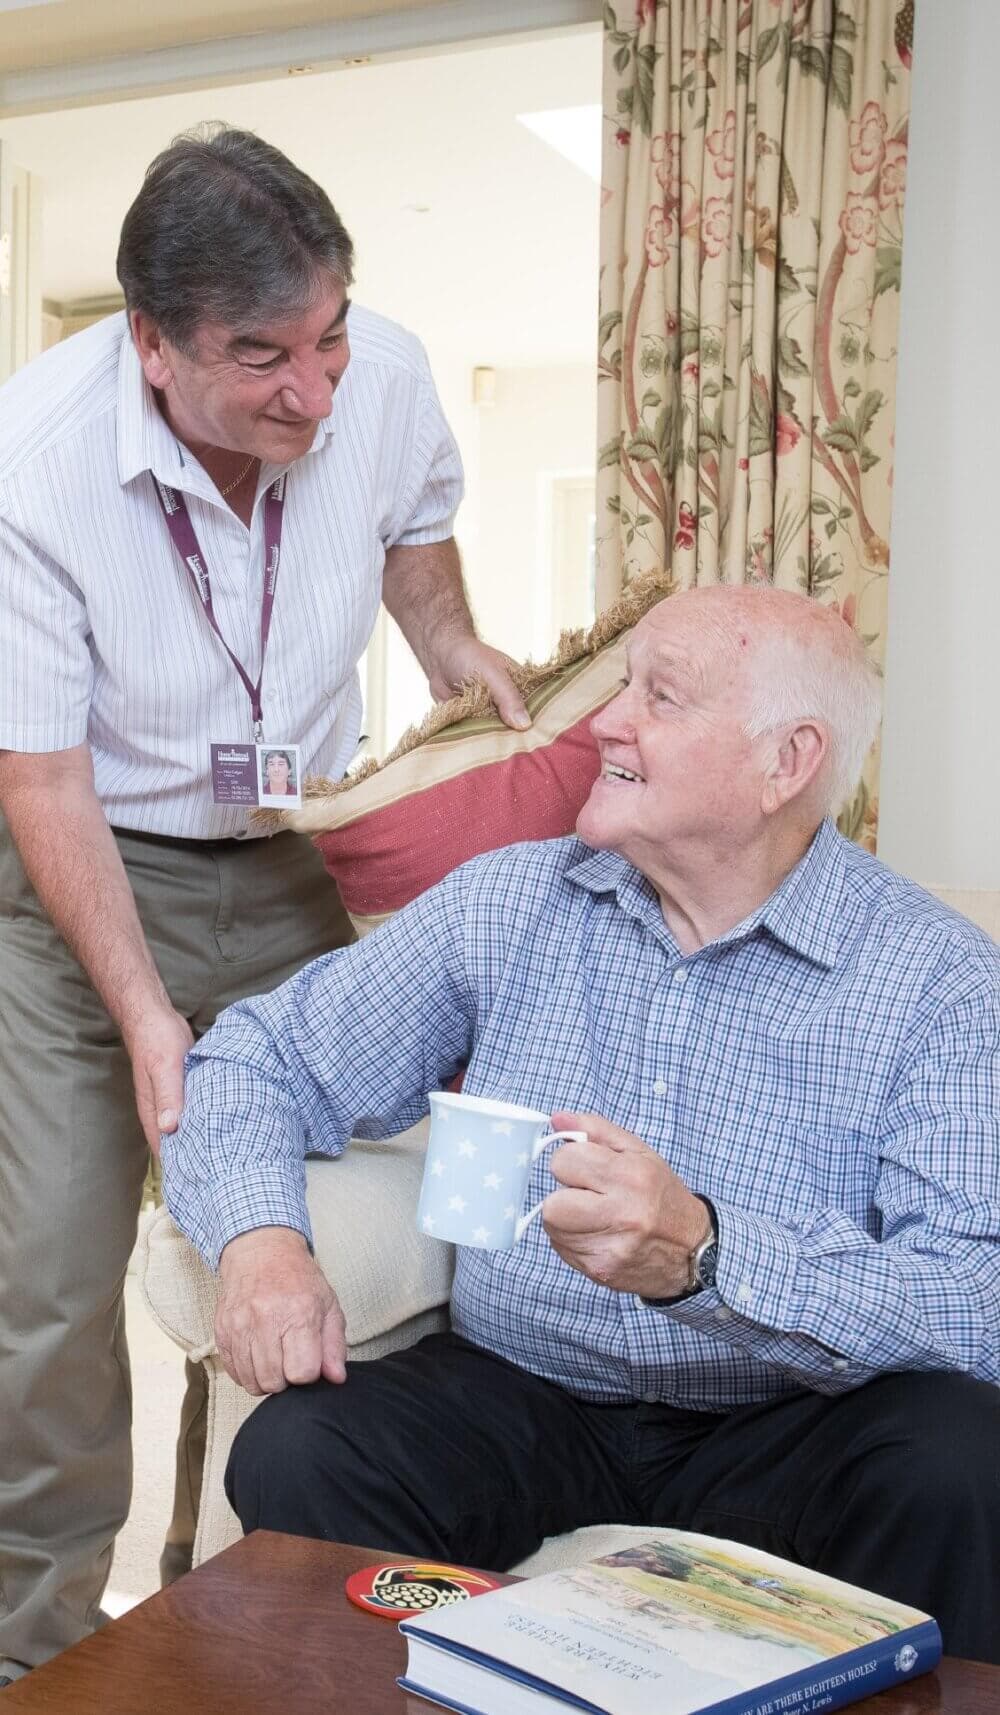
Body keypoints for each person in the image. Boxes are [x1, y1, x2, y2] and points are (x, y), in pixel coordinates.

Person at [162, 584, 1000, 1666]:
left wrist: (707, 1255)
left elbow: (972, 1302)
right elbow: (254, 1058)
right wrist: (260, 1242)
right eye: (621, 688)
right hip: (526, 1393)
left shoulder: (940, 982)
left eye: (659, 696)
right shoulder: (511, 903)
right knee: (305, 1446)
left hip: (794, 1415)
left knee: (962, 1459)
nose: (606, 721)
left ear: (784, 761)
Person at [0, 124, 528, 1687]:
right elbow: (40, 785)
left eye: (329, 339)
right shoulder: (32, 464)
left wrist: (458, 664)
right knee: (46, 1281)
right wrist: (150, 1015)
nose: (313, 390)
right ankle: (38, 1648)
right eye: (261, 357)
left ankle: (213, 1598)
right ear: (150, 344)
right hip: (93, 871)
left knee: (308, 1232)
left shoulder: (388, 376)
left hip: (307, 852)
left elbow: (417, 548)